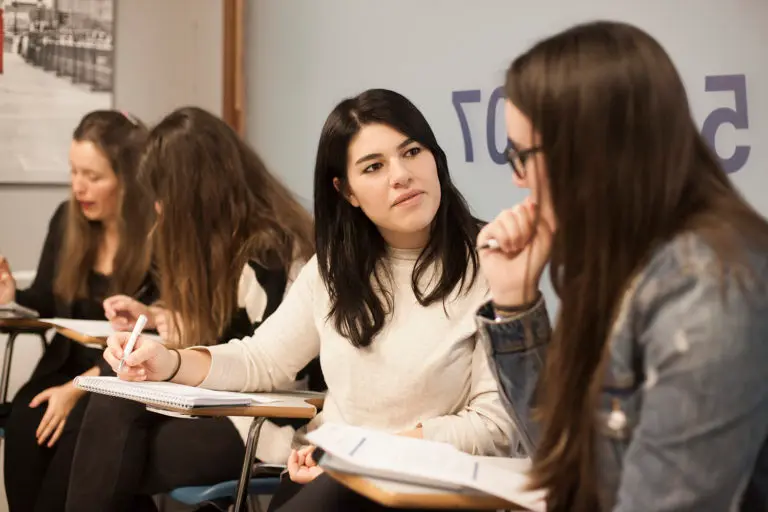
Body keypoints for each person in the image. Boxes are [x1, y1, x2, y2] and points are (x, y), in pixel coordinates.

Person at [100, 89, 515, 511]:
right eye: (373, 167)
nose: (401, 175)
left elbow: (495, 425)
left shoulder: (491, 266)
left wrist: (361, 453)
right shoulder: (333, 269)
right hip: (329, 472)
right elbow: (261, 359)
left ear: (435, 157)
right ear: (346, 191)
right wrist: (169, 362)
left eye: (411, 152)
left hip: (422, 486)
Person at [474, 21, 768, 512]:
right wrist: (514, 303)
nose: (517, 178)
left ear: (590, 151)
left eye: (521, 155)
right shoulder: (630, 260)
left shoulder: (707, 290)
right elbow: (568, 467)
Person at [66, 106, 317, 512]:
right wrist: (163, 318)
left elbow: (264, 365)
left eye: (163, 196)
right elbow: (219, 335)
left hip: (266, 424)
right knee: (106, 417)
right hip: (216, 404)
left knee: (111, 458)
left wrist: (177, 357)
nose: (159, 209)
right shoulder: (221, 242)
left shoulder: (269, 254)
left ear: (196, 193)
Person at [0, 110, 157, 512]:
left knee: (75, 433)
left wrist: (78, 389)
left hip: (123, 376)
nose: (78, 187)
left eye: (93, 176)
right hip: (64, 363)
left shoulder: (157, 236)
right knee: (25, 419)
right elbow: (49, 301)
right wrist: (12, 295)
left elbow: (160, 331)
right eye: (73, 172)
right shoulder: (66, 220)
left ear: (128, 178)